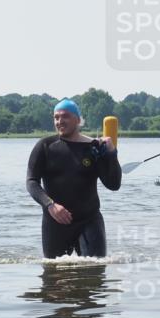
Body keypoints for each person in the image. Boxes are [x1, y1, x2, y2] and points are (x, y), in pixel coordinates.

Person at [26, 98, 122, 258]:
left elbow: (113, 184)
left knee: (95, 269)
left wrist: (112, 154)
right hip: (56, 221)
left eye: (65, 116)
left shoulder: (93, 148)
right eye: (56, 117)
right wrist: (50, 205)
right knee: (54, 271)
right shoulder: (45, 146)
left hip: (89, 220)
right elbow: (31, 182)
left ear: (78, 120)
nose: (60, 121)